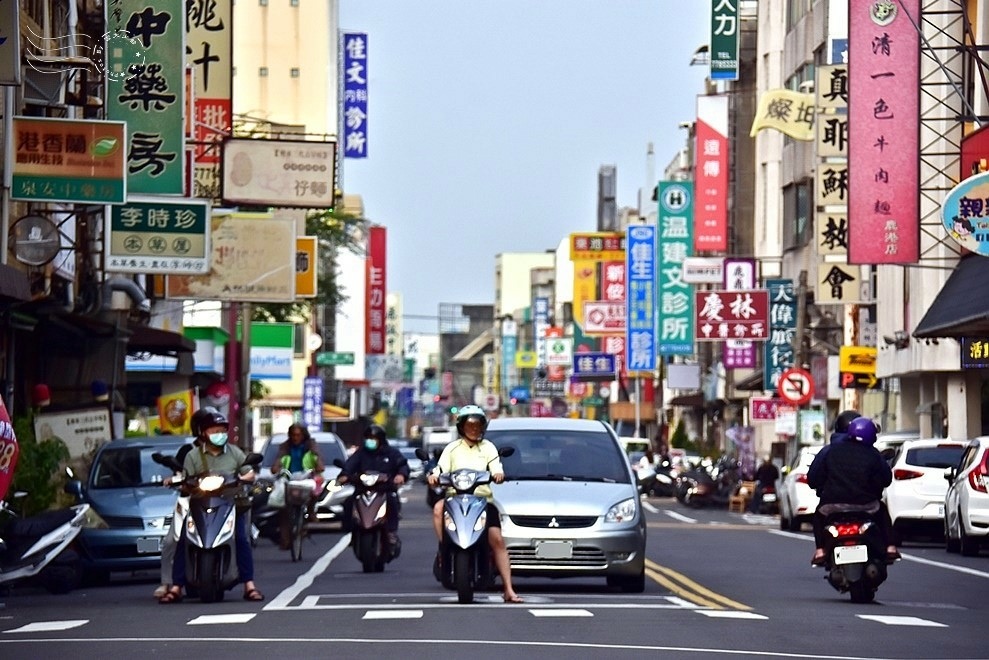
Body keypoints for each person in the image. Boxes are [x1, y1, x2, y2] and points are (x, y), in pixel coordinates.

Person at [158, 407, 263, 603]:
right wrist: (180, 482)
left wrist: (243, 478)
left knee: (241, 539)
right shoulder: (193, 456)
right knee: (183, 541)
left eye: (222, 431)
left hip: (230, 504)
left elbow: (249, 472)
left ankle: (249, 585)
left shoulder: (234, 452)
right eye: (214, 431)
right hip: (200, 504)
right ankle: (176, 587)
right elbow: (186, 479)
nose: (219, 435)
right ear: (203, 433)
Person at [427, 405, 522, 603]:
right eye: (469, 426)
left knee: (497, 540)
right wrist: (434, 476)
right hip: (454, 498)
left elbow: (496, 466)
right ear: (461, 427)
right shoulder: (452, 448)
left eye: (478, 425)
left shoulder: (488, 447)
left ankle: (509, 589)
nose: (474, 429)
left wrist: (498, 474)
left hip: (482, 500)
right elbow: (440, 468)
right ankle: (444, 548)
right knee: (437, 509)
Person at [807, 416, 900, 567]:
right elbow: (886, 479)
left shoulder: (830, 451)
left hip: (831, 506)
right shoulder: (873, 454)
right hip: (867, 506)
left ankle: (820, 551)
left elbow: (813, 479)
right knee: (882, 511)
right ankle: (890, 547)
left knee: (818, 517)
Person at [153, 413, 205, 600]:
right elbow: (179, 475)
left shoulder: (222, 451)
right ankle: (167, 582)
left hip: (212, 501)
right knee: (170, 541)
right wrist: (175, 480)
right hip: (187, 501)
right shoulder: (187, 451)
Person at [338, 424, 409, 555]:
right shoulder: (361, 453)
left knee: (392, 502)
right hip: (362, 490)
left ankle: (391, 533)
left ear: (380, 439)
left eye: (373, 438)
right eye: (368, 438)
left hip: (384, 490)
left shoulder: (392, 453)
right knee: (348, 503)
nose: (370, 441)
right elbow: (350, 465)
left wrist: (400, 475)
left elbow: (402, 465)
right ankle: (351, 531)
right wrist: (344, 475)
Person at [271, 423, 326, 549]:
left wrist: (318, 466)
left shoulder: (310, 445)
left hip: (306, 477)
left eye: (298, 435)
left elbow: (318, 459)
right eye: (293, 435)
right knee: (284, 510)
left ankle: (311, 511)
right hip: (289, 478)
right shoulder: (285, 447)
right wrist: (276, 467)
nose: (295, 438)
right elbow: (278, 460)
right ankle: (285, 540)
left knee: (315, 488)